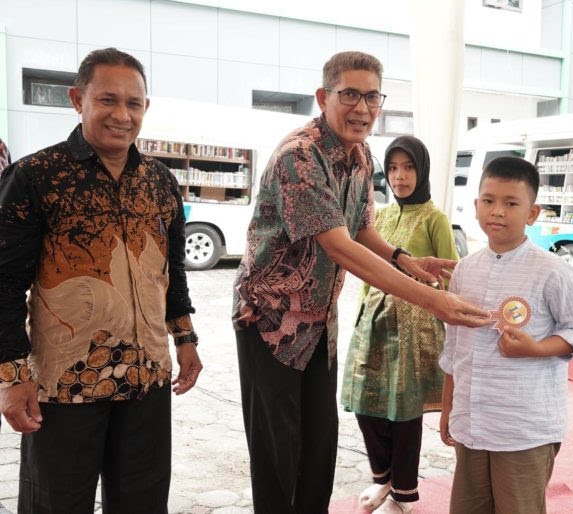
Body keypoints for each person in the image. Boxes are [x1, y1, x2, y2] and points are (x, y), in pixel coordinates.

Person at [232, 51, 488, 513]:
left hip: (318, 326)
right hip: (270, 324)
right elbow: (340, 247)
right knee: (277, 455)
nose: (362, 108)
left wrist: (406, 259)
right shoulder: (300, 156)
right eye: (349, 94)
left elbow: (361, 229)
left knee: (318, 449)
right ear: (323, 96)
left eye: (372, 97)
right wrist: (435, 303)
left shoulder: (359, 153)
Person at [0, 47, 203, 513]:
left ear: (145, 109)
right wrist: (12, 377)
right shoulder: (36, 177)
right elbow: (4, 284)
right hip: (66, 382)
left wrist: (185, 339)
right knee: (57, 504)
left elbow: (172, 269)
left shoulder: (160, 182)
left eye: (134, 103)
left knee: (143, 502)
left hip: (147, 379)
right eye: (107, 100)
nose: (122, 114)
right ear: (77, 99)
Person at [439, 156, 573, 514]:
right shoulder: (465, 270)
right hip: (473, 419)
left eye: (511, 203)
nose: (497, 211)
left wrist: (537, 348)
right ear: (476, 204)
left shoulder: (550, 270)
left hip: (523, 427)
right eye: (488, 200)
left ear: (532, 212)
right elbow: (454, 346)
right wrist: (449, 405)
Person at [341, 135, 457, 514]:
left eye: (408, 167)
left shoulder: (436, 219)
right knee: (364, 403)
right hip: (373, 324)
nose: (400, 176)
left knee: (403, 413)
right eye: (393, 168)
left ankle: (403, 494)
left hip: (414, 330)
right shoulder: (381, 216)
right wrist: (362, 313)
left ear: (421, 171)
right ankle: (383, 477)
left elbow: (452, 276)